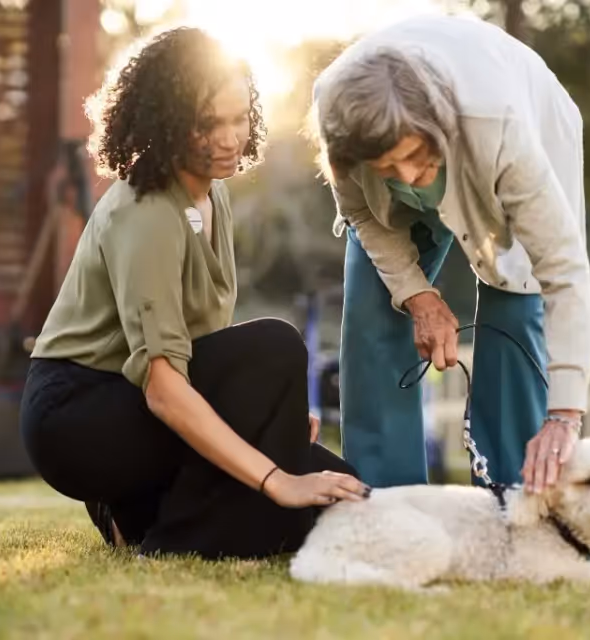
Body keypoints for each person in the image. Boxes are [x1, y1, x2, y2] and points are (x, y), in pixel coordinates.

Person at [20, 27, 369, 561]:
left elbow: (206, 348)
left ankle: (142, 513)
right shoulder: (147, 210)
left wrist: (272, 416)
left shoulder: (212, 194)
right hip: (80, 416)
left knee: (342, 488)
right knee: (277, 348)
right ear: (166, 121)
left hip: (146, 405)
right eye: (210, 125)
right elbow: (163, 388)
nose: (230, 138)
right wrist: (276, 478)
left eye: (238, 118)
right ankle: (172, 537)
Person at [309, 14, 590, 492]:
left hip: (519, 128)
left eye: (413, 154)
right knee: (375, 310)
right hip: (411, 168)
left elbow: (563, 273)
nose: (405, 174)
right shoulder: (338, 120)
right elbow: (362, 214)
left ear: (433, 126)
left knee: (516, 316)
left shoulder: (497, 124)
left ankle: (513, 503)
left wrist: (565, 414)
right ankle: (386, 508)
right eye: (386, 166)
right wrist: (418, 296)